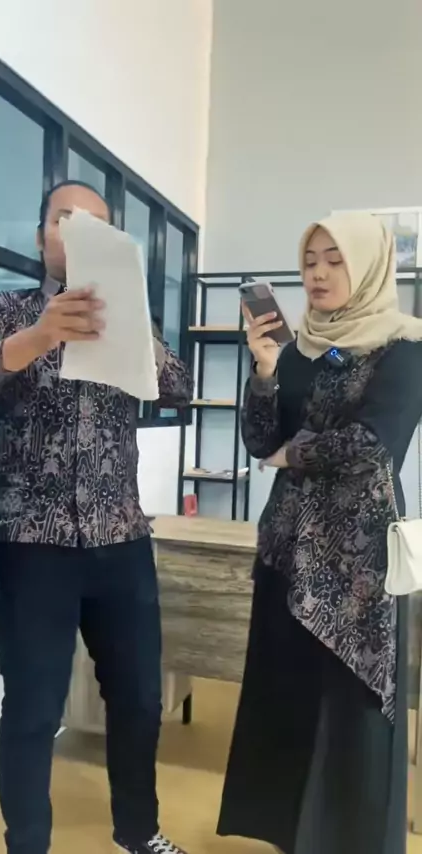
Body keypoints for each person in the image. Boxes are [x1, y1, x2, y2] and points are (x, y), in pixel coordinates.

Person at [0, 179, 193, 854]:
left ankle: (138, 833)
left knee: (139, 701)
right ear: (41, 237)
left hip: (122, 538)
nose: (77, 234)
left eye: (95, 225)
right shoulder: (6, 312)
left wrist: (137, 331)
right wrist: (33, 340)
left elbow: (180, 389)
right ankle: (27, 845)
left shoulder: (135, 321)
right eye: (64, 220)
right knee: (32, 710)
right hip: (30, 542)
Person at [217, 211, 422, 854]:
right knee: (289, 695)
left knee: (351, 705)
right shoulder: (307, 349)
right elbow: (260, 441)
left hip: (355, 558)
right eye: (309, 262)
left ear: (369, 267)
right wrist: (264, 372)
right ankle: (289, 835)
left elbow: (373, 443)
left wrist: (291, 455)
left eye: (335, 260)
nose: (318, 274)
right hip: (287, 547)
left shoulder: (406, 348)